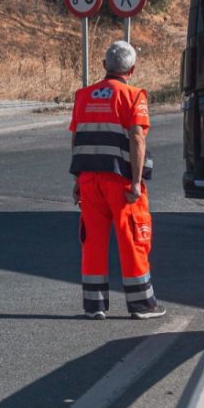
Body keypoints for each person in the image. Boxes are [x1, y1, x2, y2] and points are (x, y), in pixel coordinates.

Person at [70, 41, 165, 320]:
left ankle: (94, 306)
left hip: (89, 179)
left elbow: (77, 138)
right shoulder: (134, 96)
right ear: (132, 69)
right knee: (133, 238)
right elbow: (137, 137)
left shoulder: (83, 95)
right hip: (120, 183)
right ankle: (142, 305)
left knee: (93, 242)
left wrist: (78, 178)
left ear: (104, 66)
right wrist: (136, 182)